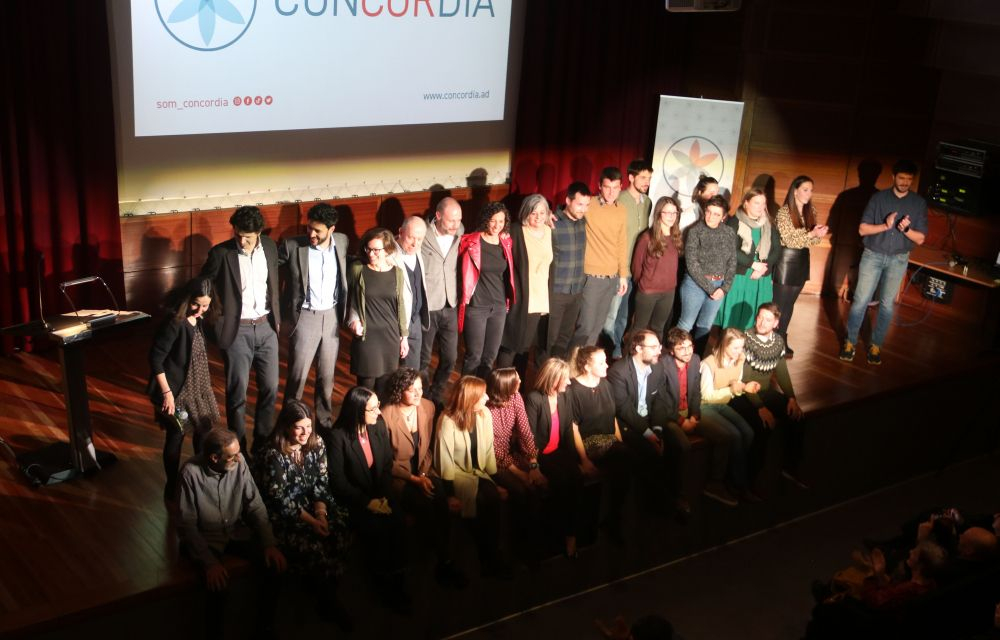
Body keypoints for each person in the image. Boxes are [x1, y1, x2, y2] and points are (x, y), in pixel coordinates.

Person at [177, 428, 287, 636]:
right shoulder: (190, 473)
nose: (239, 458)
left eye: (238, 453)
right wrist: (209, 563)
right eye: (232, 456)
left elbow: (255, 504)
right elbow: (187, 525)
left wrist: (269, 543)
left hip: (234, 532)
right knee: (217, 586)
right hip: (205, 539)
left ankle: (265, 628)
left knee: (274, 566)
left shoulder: (239, 462)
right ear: (214, 457)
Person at [253, 400, 351, 629]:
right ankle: (327, 601)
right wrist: (312, 522)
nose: (306, 432)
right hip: (283, 516)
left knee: (341, 532)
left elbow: (321, 482)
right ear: (287, 427)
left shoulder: (316, 443)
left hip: (313, 508)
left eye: (309, 426)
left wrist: (321, 514)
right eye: (299, 427)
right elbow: (279, 500)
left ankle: (329, 595)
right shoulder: (272, 454)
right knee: (313, 547)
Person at [199, 205, 281, 455]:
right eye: (237, 235)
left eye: (247, 236)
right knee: (237, 394)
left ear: (259, 233)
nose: (241, 241)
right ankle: (239, 450)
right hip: (237, 331)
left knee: (270, 388)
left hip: (266, 327)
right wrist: (214, 318)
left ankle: (262, 444)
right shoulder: (221, 253)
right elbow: (204, 283)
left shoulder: (270, 246)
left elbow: (274, 281)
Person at [380, 367, 468, 588]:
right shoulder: (386, 415)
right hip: (399, 477)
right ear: (399, 390)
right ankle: (443, 562)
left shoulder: (428, 407)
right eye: (412, 390)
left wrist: (422, 474)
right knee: (425, 507)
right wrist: (414, 479)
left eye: (420, 388)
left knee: (442, 502)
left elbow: (429, 447)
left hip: (423, 471)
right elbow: (386, 462)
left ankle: (444, 559)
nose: (419, 394)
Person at [324, 386, 409, 611]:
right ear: (358, 411)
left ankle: (399, 583)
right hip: (355, 501)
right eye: (373, 409)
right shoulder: (338, 436)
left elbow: (386, 466)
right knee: (377, 530)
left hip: (381, 495)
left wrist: (384, 498)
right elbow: (339, 482)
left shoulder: (378, 426)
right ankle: (382, 586)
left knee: (399, 522)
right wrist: (368, 503)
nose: (379, 412)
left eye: (378, 406)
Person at [841, 160, 927, 365]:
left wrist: (906, 230)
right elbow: (862, 229)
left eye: (909, 179)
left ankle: (876, 345)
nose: (905, 182)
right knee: (861, 300)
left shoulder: (918, 203)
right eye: (901, 178)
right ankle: (850, 342)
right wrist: (885, 226)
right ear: (893, 177)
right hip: (873, 255)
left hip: (899, 259)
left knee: (887, 305)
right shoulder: (878, 198)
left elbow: (921, 239)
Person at [148, 277, 221, 502]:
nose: (200, 310)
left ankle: (200, 479)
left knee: (203, 431)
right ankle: (172, 485)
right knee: (177, 435)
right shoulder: (174, 322)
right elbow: (156, 359)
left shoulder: (198, 319)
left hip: (197, 387)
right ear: (188, 299)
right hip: (176, 392)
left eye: (205, 305)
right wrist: (167, 394)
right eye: (196, 304)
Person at [607, 329, 691, 518]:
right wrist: (649, 435)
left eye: (659, 347)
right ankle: (657, 505)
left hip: (652, 421)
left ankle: (677, 494)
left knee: (680, 445)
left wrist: (657, 431)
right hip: (628, 425)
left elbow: (660, 402)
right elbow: (624, 410)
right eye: (653, 347)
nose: (659, 351)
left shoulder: (657, 368)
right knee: (650, 452)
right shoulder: (618, 372)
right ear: (638, 348)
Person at [279, 203, 348, 428]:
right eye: (309, 228)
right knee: (297, 378)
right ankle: (290, 425)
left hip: (332, 317)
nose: (311, 234)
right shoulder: (292, 246)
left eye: (317, 230)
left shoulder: (342, 242)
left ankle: (325, 424)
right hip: (305, 317)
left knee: (326, 379)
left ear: (331, 229)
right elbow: (271, 269)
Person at [434, 375, 511, 577]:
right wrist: (450, 495)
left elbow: (489, 452)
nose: (487, 398)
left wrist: (496, 482)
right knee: (479, 500)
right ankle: (481, 556)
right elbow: (445, 461)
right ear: (470, 398)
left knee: (494, 497)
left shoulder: (484, 414)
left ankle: (492, 554)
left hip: (479, 472)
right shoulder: (447, 421)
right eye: (482, 395)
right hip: (457, 474)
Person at [661, 328, 739, 508]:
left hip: (689, 412)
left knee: (725, 436)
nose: (687, 351)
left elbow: (696, 391)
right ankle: (677, 494)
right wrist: (682, 421)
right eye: (681, 348)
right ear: (671, 350)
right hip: (669, 415)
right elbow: (660, 401)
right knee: (684, 446)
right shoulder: (662, 365)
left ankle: (715, 484)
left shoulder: (695, 360)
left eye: (690, 346)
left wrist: (695, 416)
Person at [733, 303, 808, 487]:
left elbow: (781, 371)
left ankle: (790, 468)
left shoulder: (777, 341)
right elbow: (746, 379)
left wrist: (791, 398)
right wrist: (760, 408)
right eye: (760, 317)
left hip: (764, 392)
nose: (762, 323)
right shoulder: (746, 340)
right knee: (763, 426)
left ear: (776, 323)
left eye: (768, 320)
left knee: (797, 416)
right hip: (742, 394)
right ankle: (749, 480)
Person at [566, 345, 631, 544]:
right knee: (624, 459)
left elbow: (613, 418)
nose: (607, 365)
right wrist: (584, 460)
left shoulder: (606, 385)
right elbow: (574, 428)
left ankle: (614, 518)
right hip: (589, 443)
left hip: (610, 443)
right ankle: (609, 522)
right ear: (587, 366)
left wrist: (619, 441)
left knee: (626, 460)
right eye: (601, 363)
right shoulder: (573, 389)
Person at [523, 358, 583, 558]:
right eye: (565, 378)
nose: (569, 382)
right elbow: (529, 436)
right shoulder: (534, 398)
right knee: (561, 482)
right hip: (541, 454)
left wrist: (575, 460)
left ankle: (571, 534)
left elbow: (567, 431)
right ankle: (556, 535)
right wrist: (534, 465)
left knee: (577, 477)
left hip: (558, 451)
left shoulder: (565, 396)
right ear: (553, 379)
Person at [486, 367, 546, 566]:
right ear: (505, 386)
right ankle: (514, 545)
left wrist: (533, 464)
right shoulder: (487, 409)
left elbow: (525, 431)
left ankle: (532, 540)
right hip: (492, 461)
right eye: (517, 380)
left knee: (537, 485)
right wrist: (520, 473)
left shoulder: (516, 397)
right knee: (521, 490)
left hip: (510, 455)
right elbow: (493, 450)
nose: (520, 382)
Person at [346, 227, 409, 391]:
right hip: (367, 338)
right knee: (365, 389)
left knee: (385, 388)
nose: (371, 254)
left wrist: (404, 337)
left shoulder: (397, 273)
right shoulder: (358, 269)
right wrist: (353, 320)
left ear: (388, 249)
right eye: (368, 249)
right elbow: (349, 299)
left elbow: (400, 305)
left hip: (390, 337)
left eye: (376, 250)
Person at [458, 202, 516, 378]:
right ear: (486, 220)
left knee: (490, 357)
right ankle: (466, 393)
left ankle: (482, 392)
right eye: (493, 221)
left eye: (501, 221)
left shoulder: (506, 242)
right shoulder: (470, 241)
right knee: (474, 357)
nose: (497, 225)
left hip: (498, 307)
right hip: (477, 307)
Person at [700, 328, 758, 502]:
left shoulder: (739, 359)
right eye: (735, 348)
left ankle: (734, 476)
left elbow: (736, 385)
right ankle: (723, 483)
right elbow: (706, 396)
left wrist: (744, 387)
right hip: (705, 407)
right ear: (724, 345)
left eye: (741, 347)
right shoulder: (708, 364)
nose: (739, 352)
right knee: (733, 435)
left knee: (748, 433)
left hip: (723, 404)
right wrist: (733, 390)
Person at [772, 176, 829, 355]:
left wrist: (819, 234)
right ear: (795, 191)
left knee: (790, 304)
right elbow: (789, 240)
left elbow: (813, 241)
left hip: (802, 259)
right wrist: (810, 234)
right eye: (805, 189)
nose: (809, 193)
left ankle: (781, 339)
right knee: (779, 305)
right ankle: (770, 340)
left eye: (811, 190)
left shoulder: (811, 210)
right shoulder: (784, 212)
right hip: (786, 259)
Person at [498, 194, 553, 375]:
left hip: (541, 299)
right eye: (533, 213)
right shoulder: (515, 231)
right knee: (511, 346)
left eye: (542, 213)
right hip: (521, 298)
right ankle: (501, 386)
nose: (538, 217)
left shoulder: (549, 231)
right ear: (525, 213)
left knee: (525, 347)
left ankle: (517, 388)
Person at [574, 167, 629, 349]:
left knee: (598, 327)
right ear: (599, 186)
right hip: (591, 277)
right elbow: (569, 211)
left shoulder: (621, 210)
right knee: (585, 326)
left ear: (621, 187)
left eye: (615, 188)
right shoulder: (589, 204)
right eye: (607, 187)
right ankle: (573, 362)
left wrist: (623, 275)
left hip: (612, 278)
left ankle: (585, 362)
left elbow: (621, 243)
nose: (611, 192)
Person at [605, 160, 653, 359]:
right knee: (611, 313)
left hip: (637, 269)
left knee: (625, 313)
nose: (647, 182)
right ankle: (605, 348)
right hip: (619, 268)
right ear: (631, 177)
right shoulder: (619, 199)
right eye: (643, 177)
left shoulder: (647, 202)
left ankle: (617, 347)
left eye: (649, 178)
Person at [716, 188, 781, 330]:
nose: (761, 207)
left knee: (757, 318)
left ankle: (751, 343)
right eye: (757, 203)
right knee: (734, 320)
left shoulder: (769, 223)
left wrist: (763, 268)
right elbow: (730, 250)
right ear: (746, 203)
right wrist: (753, 265)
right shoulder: (734, 222)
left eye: (763, 203)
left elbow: (777, 250)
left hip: (761, 278)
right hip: (740, 276)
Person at [420, 197, 464, 404]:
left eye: (459, 220)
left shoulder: (460, 231)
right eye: (451, 220)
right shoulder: (422, 233)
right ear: (438, 216)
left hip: (450, 304)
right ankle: (422, 398)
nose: (456, 224)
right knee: (423, 358)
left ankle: (436, 395)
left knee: (450, 358)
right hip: (428, 305)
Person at [676, 195, 737, 346]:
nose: (710, 217)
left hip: (719, 285)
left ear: (723, 217)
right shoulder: (695, 231)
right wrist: (711, 289)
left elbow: (732, 262)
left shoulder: (729, 232)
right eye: (708, 212)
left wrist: (724, 288)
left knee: (705, 325)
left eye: (716, 214)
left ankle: (697, 358)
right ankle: (675, 356)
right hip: (694, 284)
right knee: (686, 324)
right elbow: (692, 264)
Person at [546, 182, 591, 361]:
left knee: (564, 339)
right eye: (579, 204)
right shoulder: (552, 223)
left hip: (576, 291)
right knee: (548, 340)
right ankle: (544, 375)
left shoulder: (582, 222)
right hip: (556, 291)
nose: (583, 209)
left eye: (586, 205)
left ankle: (558, 374)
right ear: (568, 201)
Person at [630, 195, 682, 338]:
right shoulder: (647, 238)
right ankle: (631, 352)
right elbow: (636, 267)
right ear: (659, 214)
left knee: (658, 329)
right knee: (639, 329)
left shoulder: (676, 236)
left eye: (674, 212)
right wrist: (644, 284)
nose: (672, 216)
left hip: (668, 292)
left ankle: (655, 353)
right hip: (648, 292)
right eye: (667, 212)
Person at [388, 216, 429, 369]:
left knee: (412, 370)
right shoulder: (388, 255)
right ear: (400, 232)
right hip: (395, 323)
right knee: (392, 370)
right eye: (411, 237)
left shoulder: (418, 251)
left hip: (415, 320)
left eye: (419, 239)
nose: (415, 244)